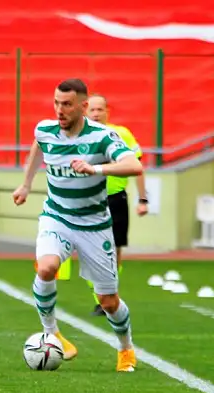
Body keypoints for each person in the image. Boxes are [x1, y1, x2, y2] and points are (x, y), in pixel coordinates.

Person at [12, 78, 143, 372]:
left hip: (94, 225)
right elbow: (38, 146)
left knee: (108, 301)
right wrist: (26, 184)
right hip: (56, 216)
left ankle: (125, 348)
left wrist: (95, 168)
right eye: (57, 103)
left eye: (67, 104)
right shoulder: (45, 129)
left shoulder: (102, 136)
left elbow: (134, 165)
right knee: (46, 268)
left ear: (83, 107)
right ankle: (52, 333)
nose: (60, 110)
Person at [84, 94, 148, 316]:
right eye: (92, 110)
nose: (96, 114)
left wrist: (143, 199)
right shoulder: (79, 136)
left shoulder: (121, 134)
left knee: (114, 249)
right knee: (89, 250)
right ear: (85, 112)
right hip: (88, 200)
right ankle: (99, 293)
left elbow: (137, 165)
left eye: (100, 109)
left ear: (107, 112)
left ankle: (108, 296)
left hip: (115, 199)